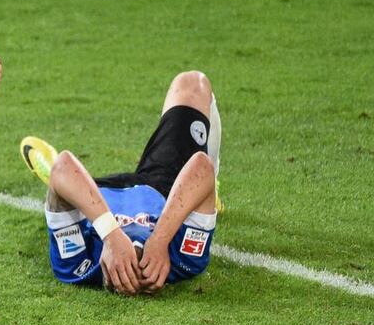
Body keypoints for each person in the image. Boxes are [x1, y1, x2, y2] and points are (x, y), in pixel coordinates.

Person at [19, 71, 222, 295]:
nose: (132, 269)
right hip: (164, 191)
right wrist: (159, 240)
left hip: (94, 196)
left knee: (60, 178)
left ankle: (56, 187)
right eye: (141, 274)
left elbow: (63, 165)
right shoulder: (184, 262)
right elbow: (203, 167)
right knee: (193, 84)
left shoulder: (77, 267)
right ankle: (204, 199)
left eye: (122, 273)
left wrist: (112, 236)